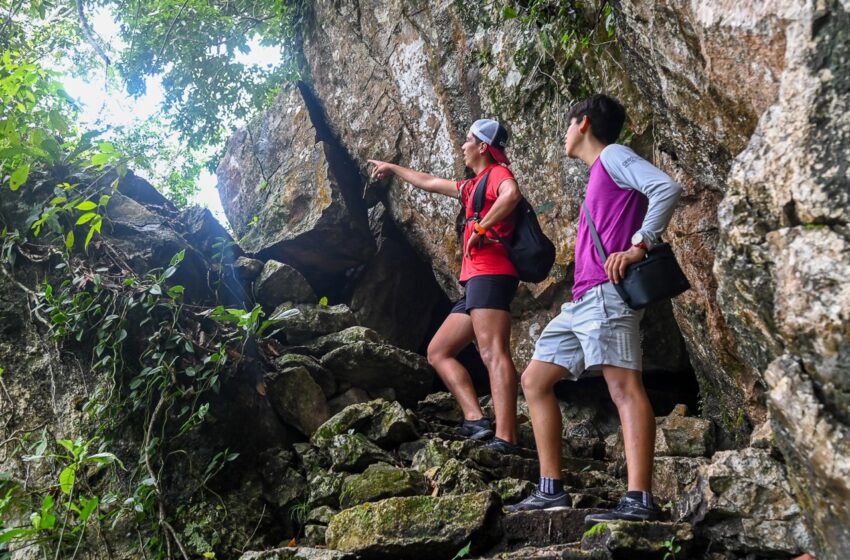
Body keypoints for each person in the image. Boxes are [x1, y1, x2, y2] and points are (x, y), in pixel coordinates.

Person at [506, 94, 682, 521]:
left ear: (582, 123)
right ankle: (551, 490)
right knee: (534, 380)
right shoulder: (597, 174)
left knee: (624, 389)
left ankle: (639, 500)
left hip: (607, 295)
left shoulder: (614, 156)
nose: (564, 136)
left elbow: (666, 187)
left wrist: (639, 246)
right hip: (582, 300)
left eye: (567, 125)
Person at [368, 119, 522, 454]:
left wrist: (481, 229)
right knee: (438, 351)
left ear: (483, 146)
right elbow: (430, 182)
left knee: (493, 353)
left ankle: (506, 437)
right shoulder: (473, 185)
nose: (463, 146)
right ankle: (476, 419)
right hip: (476, 284)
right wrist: (392, 167)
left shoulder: (496, 174)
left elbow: (511, 195)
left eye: (468, 140)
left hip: (492, 274)